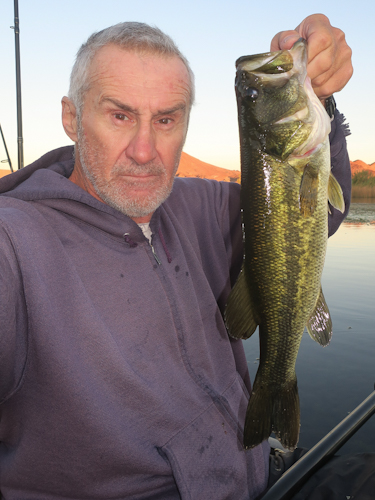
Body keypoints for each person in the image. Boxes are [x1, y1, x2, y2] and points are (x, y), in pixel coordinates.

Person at [0, 14, 352, 500]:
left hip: (257, 481)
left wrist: (322, 99)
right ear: (71, 118)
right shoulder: (15, 242)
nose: (145, 151)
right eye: (120, 115)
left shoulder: (197, 205)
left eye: (166, 119)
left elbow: (316, 219)